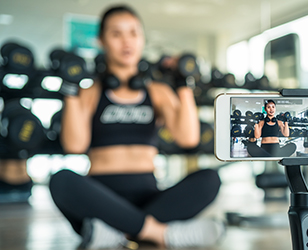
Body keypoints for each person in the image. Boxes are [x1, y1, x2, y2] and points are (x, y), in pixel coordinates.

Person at [48, 5, 223, 249]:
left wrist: (183, 83)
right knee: (61, 180)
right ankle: (159, 233)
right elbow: (74, 146)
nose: (126, 41)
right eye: (116, 34)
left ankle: (116, 233)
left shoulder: (158, 92)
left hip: (149, 197)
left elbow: (188, 138)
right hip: (101, 200)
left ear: (142, 39)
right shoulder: (89, 93)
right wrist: (69, 91)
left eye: (133, 33)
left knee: (210, 179)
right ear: (102, 41)